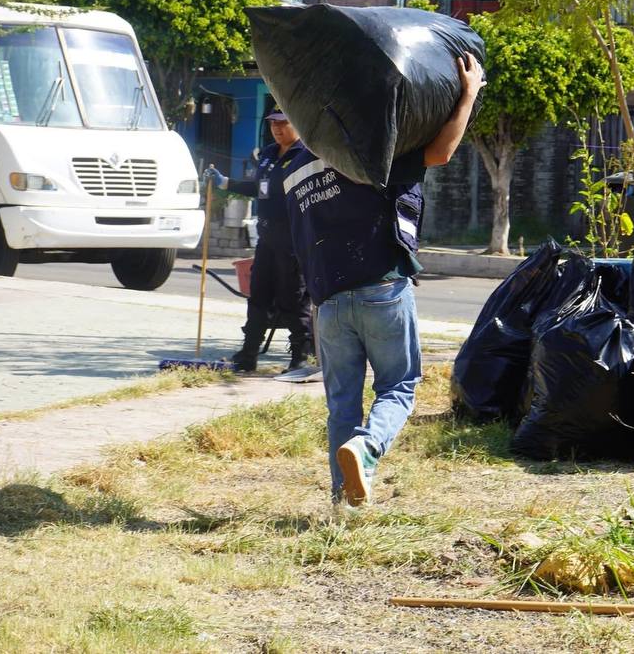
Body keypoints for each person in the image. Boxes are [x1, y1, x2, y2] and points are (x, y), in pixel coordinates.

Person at [282, 53, 484, 507]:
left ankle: (344, 501)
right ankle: (367, 449)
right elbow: (442, 152)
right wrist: (468, 93)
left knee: (342, 402)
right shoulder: (373, 140)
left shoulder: (292, 165)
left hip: (327, 300)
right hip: (382, 287)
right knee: (399, 384)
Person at [205, 110, 314, 375]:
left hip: (293, 240)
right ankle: (248, 354)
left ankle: (301, 356)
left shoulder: (307, 156)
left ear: (297, 123)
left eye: (283, 123)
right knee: (259, 297)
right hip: (266, 239)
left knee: (294, 299)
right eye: (273, 124)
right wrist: (226, 182)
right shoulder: (267, 154)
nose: (277, 129)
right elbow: (259, 187)